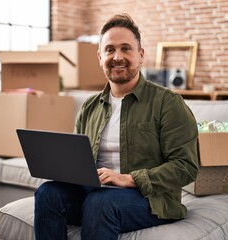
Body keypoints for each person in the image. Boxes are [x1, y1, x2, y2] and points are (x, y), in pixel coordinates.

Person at [34, 13, 199, 240]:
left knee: (100, 203)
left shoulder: (167, 103)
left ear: (140, 55)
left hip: (149, 199)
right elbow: (77, 161)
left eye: (126, 49)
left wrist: (130, 179)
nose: (117, 56)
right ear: (100, 56)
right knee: (47, 193)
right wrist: (63, 170)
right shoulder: (89, 107)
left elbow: (186, 166)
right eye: (110, 50)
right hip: (95, 192)